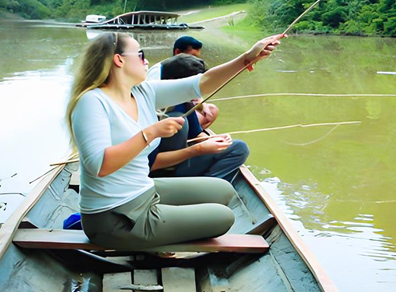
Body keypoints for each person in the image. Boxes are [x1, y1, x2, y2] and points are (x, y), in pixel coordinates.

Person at [66, 31, 282, 249]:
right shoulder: (92, 102)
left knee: (224, 191)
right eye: (140, 54)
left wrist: (248, 57)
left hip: (144, 190)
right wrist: (150, 133)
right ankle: (154, 242)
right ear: (119, 60)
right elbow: (100, 166)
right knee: (224, 217)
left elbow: (201, 83)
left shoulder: (142, 92)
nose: (146, 60)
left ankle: (161, 233)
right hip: (113, 217)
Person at [147, 53, 250, 183]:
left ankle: (209, 183)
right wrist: (197, 150)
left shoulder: (184, 101)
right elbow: (149, 163)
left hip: (183, 162)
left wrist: (215, 140)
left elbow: (197, 134)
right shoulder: (150, 107)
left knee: (239, 147)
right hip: (159, 171)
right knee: (179, 121)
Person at [147, 35, 217, 129]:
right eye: (192, 56)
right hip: (165, 113)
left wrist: (202, 104)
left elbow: (196, 94)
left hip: (184, 109)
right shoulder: (159, 71)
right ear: (177, 52)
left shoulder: (190, 69)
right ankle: (195, 135)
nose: (194, 60)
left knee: (212, 110)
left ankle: (194, 134)